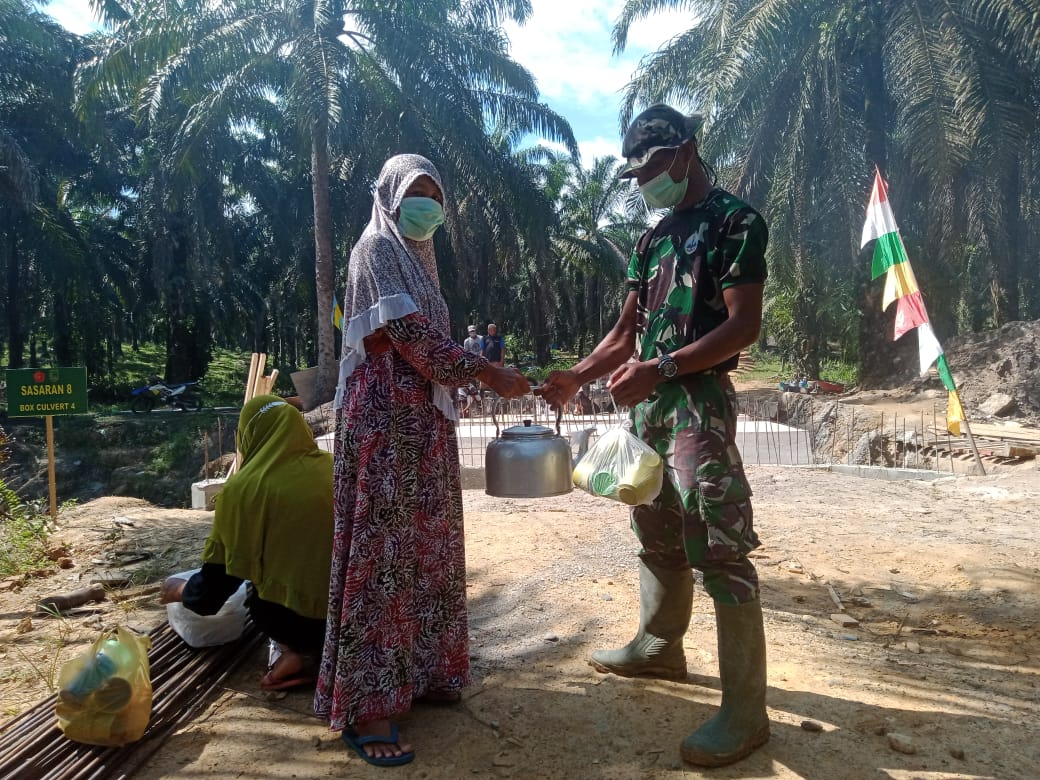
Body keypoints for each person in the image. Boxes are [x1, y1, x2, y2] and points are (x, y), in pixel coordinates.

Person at [539, 104, 769, 768]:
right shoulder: (652, 238)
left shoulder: (736, 221)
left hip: (696, 402)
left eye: (653, 167)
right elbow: (624, 332)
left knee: (716, 538)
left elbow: (742, 325)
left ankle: (745, 714)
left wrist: (662, 368)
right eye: (635, 172)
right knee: (655, 522)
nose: (644, 182)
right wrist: (575, 376)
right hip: (650, 405)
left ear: (687, 152)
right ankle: (659, 647)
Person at [318, 154, 528, 767]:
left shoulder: (419, 262)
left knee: (427, 547)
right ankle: (368, 706)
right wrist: (488, 372)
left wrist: (478, 368)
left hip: (424, 427)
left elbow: (426, 342)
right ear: (389, 196)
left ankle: (426, 671)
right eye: (417, 193)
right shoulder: (376, 251)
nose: (428, 206)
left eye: (437, 195)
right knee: (382, 555)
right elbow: (413, 341)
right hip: (384, 427)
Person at [160, 394, 334, 691]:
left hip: (303, 626)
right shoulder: (339, 469)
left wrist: (176, 589)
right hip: (363, 619)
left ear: (247, 436)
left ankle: (299, 650)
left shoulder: (242, 491)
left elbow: (213, 593)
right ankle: (323, 660)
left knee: (258, 586)